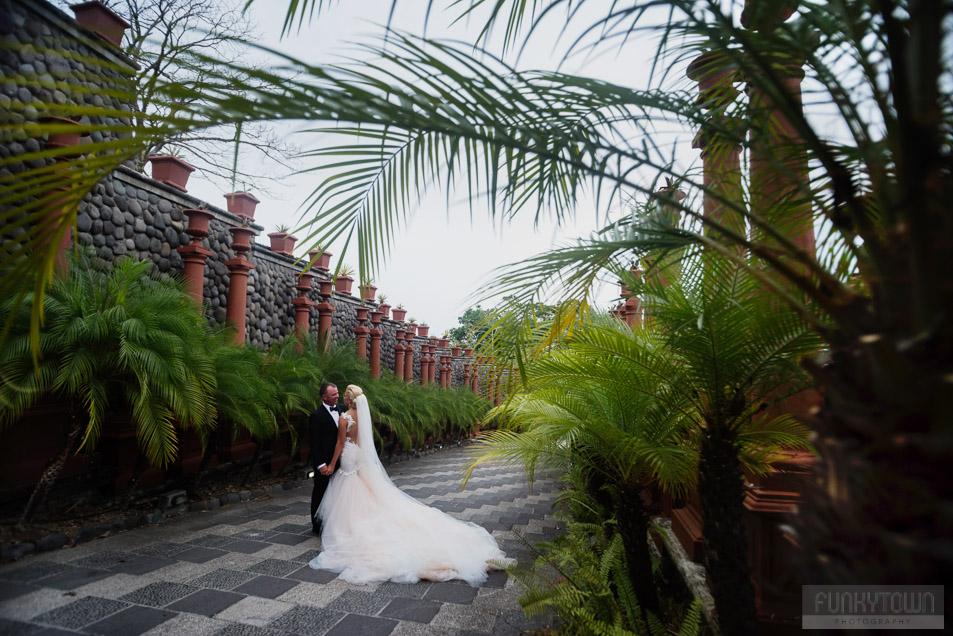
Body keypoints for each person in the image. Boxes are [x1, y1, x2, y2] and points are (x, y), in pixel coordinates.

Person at [310, 384, 509, 585]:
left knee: (350, 489)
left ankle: (351, 525)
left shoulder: (345, 418)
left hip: (348, 457)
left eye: (342, 395)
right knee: (364, 490)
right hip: (360, 456)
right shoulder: (363, 414)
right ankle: (363, 517)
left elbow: (340, 443)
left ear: (349, 399)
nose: (341, 398)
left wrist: (333, 463)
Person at [308, 382, 341, 535]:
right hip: (325, 463)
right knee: (320, 492)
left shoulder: (342, 409)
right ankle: (317, 524)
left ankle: (335, 522)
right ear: (324, 397)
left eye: (337, 393)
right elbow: (314, 443)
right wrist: (321, 464)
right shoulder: (316, 416)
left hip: (342, 461)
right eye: (333, 394)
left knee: (339, 492)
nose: (337, 396)